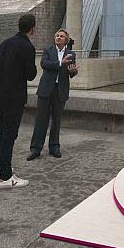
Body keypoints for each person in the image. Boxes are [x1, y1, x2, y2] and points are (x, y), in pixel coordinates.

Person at [0, 13, 37, 189]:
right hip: (14, 97)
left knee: (1, 130)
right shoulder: (27, 46)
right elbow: (31, 75)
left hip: (0, 94)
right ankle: (6, 177)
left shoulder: (5, 43)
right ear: (32, 28)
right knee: (9, 134)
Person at [27, 29, 78, 160]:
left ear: (66, 40)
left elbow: (71, 73)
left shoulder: (71, 54)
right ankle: (35, 149)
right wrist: (61, 63)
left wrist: (73, 71)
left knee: (56, 120)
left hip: (60, 90)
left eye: (61, 36)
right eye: (57, 36)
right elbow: (44, 64)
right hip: (46, 89)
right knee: (41, 120)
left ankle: (54, 147)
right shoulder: (48, 50)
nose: (58, 37)